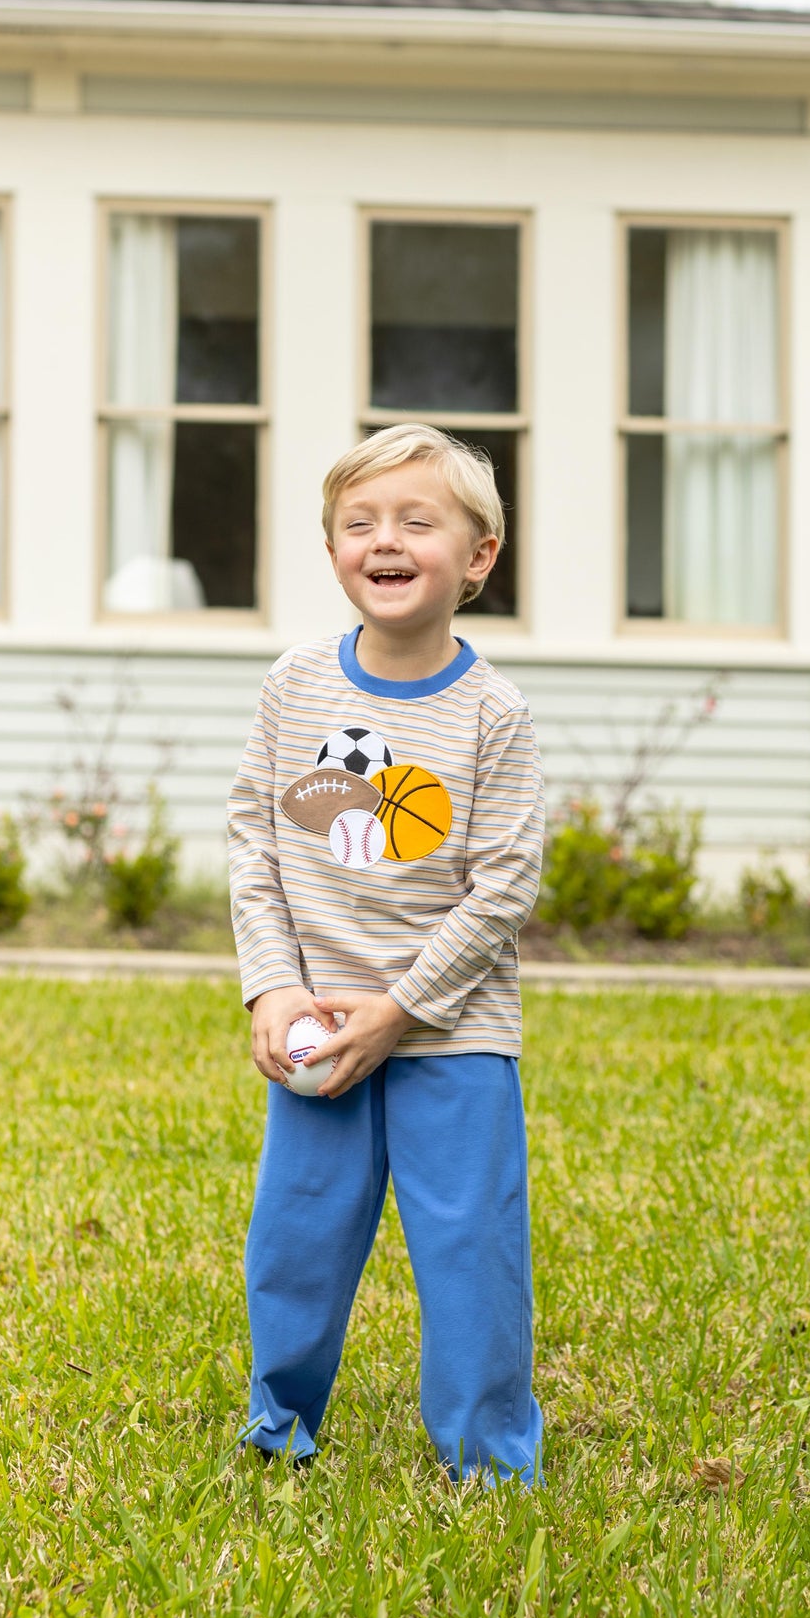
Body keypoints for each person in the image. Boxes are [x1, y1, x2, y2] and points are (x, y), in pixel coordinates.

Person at [227, 422, 546, 1481]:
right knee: (296, 1241)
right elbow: (256, 844)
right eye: (359, 522)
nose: (386, 540)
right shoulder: (294, 686)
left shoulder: (491, 713)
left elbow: (502, 890)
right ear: (332, 552)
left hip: (450, 1034)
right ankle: (279, 1426)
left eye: (418, 520)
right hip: (318, 1021)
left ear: (478, 555)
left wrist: (401, 1009)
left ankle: (488, 1457)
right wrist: (273, 985)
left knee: (469, 1252)